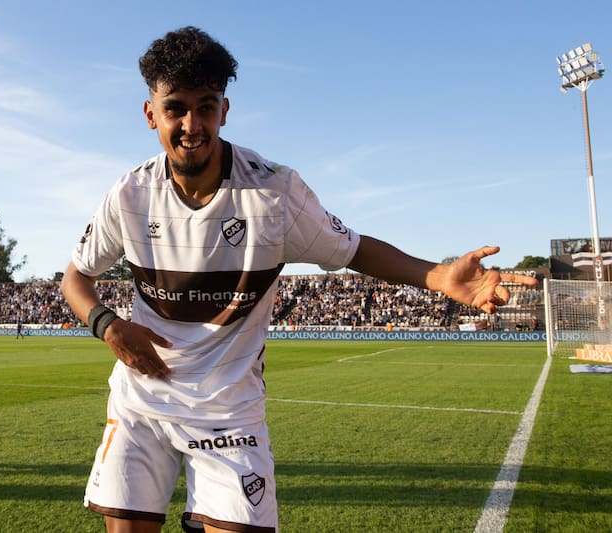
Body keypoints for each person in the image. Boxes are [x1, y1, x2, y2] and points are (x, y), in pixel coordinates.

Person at [59, 26, 538, 533]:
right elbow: (76, 278)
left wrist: (440, 276)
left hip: (229, 415)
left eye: (206, 106)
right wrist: (109, 326)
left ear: (225, 110)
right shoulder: (130, 194)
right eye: (175, 107)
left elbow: (354, 249)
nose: (191, 124)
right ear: (151, 113)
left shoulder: (273, 193)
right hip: (142, 405)